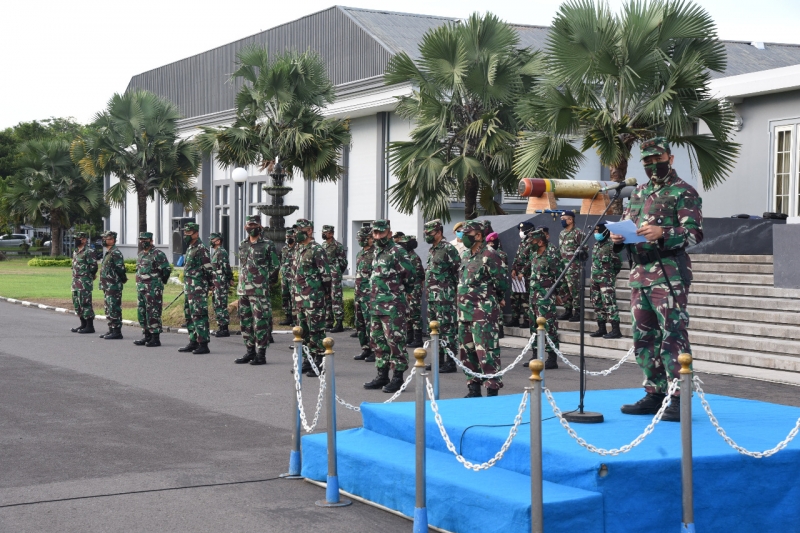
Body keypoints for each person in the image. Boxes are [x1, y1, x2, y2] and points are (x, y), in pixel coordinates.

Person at [611, 137, 702, 422]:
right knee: (643, 336)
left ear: (669, 159)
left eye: (657, 159)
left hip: (668, 274)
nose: (652, 165)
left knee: (672, 334)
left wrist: (664, 233)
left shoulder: (683, 192)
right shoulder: (638, 193)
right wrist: (617, 238)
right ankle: (655, 392)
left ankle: (679, 397)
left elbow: (694, 234)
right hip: (640, 274)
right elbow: (630, 225)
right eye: (647, 161)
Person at [457, 220, 509, 397]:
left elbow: (501, 283)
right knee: (467, 351)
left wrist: (494, 299)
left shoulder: (490, 254)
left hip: (483, 313)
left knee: (486, 352)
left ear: (478, 235)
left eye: (467, 234)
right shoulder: (465, 255)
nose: (464, 237)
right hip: (464, 312)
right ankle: (473, 387)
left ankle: (492, 390)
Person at [363, 219, 414, 393]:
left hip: (393, 305)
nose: (378, 236)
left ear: (390, 233)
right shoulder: (377, 251)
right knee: (378, 341)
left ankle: (398, 377)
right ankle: (382, 375)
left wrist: (401, 293)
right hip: (376, 304)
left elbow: (409, 276)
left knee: (395, 341)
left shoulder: (397, 251)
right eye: (375, 233)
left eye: (381, 233)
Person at [233, 215, 280, 366]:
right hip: (243, 290)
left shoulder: (267, 244)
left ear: (260, 227)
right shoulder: (243, 244)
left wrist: (265, 281)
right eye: (249, 225)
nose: (251, 228)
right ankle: (250, 351)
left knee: (260, 322)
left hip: (259, 290)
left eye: (254, 225)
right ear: (245, 227)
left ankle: (261, 354)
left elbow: (275, 265)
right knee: (245, 322)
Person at [293, 218, 332, 377]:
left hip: (314, 297)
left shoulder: (317, 249)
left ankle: (320, 361)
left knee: (316, 330)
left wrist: (325, 293)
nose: (296, 233)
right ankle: (307, 360)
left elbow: (326, 275)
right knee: (303, 331)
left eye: (300, 230)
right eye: (296, 230)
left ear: (309, 231)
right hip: (300, 298)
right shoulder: (298, 249)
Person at [423, 219, 460, 374]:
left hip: (445, 297)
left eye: (430, 233)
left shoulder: (448, 249)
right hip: (432, 298)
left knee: (447, 329)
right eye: (425, 233)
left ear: (439, 232)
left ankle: (450, 362)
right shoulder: (433, 250)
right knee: (434, 330)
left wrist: (455, 293)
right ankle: (438, 360)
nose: (427, 235)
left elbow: (458, 271)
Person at [525, 228, 561, 369]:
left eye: (532, 242)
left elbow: (559, 276)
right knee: (533, 325)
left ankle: (552, 358)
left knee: (549, 326)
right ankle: (535, 355)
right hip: (533, 296)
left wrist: (557, 293)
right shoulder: (534, 254)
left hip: (546, 297)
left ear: (540, 242)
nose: (530, 244)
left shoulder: (551, 256)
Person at [178, 222, 214, 354]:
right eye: (185, 233)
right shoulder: (190, 247)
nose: (186, 235)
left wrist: (210, 284)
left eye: (189, 233)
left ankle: (203, 344)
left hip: (198, 287)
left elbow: (208, 268)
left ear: (196, 233)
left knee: (199, 315)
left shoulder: (201, 248)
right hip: (189, 287)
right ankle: (193, 341)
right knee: (189, 314)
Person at [133, 232, 171, 347]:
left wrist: (159, 282)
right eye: (141, 240)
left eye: (145, 240)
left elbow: (166, 270)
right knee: (142, 312)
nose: (143, 242)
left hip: (153, 289)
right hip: (141, 289)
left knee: (153, 312)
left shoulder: (158, 254)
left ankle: (155, 338)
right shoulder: (141, 255)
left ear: (151, 241)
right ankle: (146, 336)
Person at [590, 223, 622, 339]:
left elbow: (617, 263)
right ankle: (601, 328)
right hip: (595, 279)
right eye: (595, 231)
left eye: (598, 231)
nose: (596, 233)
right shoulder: (596, 245)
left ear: (604, 232)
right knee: (597, 303)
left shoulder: (611, 246)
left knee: (609, 304)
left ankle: (615, 330)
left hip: (606, 280)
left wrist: (610, 275)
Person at [396, 234, 425, 348]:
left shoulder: (414, 257)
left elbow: (420, 274)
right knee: (407, 312)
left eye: (403, 244)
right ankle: (409, 337)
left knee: (415, 313)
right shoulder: (405, 256)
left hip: (414, 288)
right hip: (406, 288)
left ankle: (418, 339)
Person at [98, 231, 127, 340]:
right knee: (108, 308)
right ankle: (111, 329)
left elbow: (120, 269)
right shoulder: (109, 252)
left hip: (113, 285)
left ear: (113, 240)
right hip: (107, 285)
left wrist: (122, 279)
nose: (104, 240)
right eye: (104, 238)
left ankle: (117, 331)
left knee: (114, 307)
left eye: (106, 239)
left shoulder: (115, 253)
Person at [353, 225, 376, 361]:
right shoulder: (360, 254)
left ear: (370, 238)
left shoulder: (375, 254)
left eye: (362, 238)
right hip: (359, 294)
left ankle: (374, 350)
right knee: (360, 323)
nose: (360, 241)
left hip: (369, 295)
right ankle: (365, 348)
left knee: (370, 324)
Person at [557, 210, 584, 322]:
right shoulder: (562, 233)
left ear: (570, 220)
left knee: (574, 289)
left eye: (564, 219)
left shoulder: (578, 233)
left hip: (573, 267)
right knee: (564, 289)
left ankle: (578, 311)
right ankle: (568, 310)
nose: (562, 221)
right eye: (561, 219)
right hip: (563, 266)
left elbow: (584, 249)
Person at [321, 224, 347, 332]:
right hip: (324, 275)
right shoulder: (322, 245)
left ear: (331, 233)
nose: (323, 234)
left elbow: (343, 262)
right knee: (326, 297)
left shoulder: (337, 246)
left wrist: (337, 272)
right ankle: (328, 322)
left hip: (334, 275)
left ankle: (339, 322)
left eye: (325, 232)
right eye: (323, 232)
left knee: (336, 298)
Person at [70, 231, 97, 334]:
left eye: (79, 239)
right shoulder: (76, 251)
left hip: (84, 281)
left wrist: (89, 276)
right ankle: (83, 324)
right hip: (75, 281)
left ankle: (90, 326)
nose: (76, 241)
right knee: (77, 303)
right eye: (75, 239)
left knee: (85, 302)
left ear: (84, 240)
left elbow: (93, 266)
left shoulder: (89, 251)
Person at [510, 222, 534, 329]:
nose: (520, 232)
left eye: (522, 230)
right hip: (517, 275)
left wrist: (523, 272)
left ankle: (527, 320)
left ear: (529, 230)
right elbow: (517, 257)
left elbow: (531, 260)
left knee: (525, 298)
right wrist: (513, 269)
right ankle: (515, 318)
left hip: (526, 275)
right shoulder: (522, 242)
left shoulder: (532, 243)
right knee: (514, 297)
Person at [209, 232, 233, 338]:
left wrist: (230, 278)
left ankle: (224, 329)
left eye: (212, 240)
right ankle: (220, 327)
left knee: (221, 305)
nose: (210, 241)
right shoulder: (216, 252)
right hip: (216, 282)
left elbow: (226, 267)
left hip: (221, 282)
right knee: (216, 304)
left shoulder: (221, 252)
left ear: (218, 241)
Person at [485, 231, 508, 339]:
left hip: (499, 282)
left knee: (499, 309)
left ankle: (500, 329)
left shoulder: (500, 254)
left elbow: (502, 271)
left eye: (492, 243)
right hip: (491, 284)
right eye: (489, 243)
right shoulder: (488, 254)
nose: (491, 245)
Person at [278, 228, 297, 326]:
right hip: (285, 277)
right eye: (287, 236)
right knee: (285, 297)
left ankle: (295, 318)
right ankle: (288, 317)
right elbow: (281, 261)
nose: (288, 238)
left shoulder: (297, 248)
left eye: (290, 236)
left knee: (294, 297)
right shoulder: (284, 249)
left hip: (294, 277)